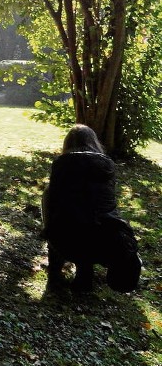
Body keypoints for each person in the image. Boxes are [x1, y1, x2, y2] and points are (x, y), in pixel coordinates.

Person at [42, 124, 141, 293]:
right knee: (93, 212)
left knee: (51, 198)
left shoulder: (61, 164)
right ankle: (84, 274)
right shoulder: (106, 166)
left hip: (64, 242)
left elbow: (56, 209)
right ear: (95, 143)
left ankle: (55, 273)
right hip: (103, 243)